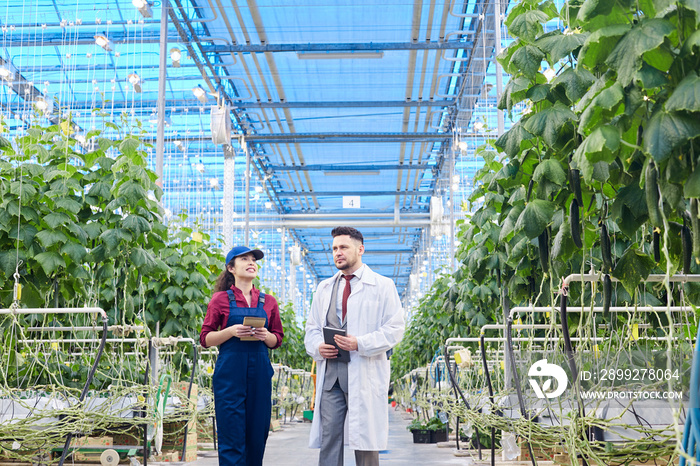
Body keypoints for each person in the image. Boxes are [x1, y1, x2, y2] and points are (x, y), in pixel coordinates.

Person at [305, 227, 405, 466]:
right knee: (329, 439)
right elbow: (311, 329)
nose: (338, 253)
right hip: (331, 377)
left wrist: (360, 343)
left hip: (364, 372)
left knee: (366, 442)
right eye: (334, 249)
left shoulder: (382, 286)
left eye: (343, 247)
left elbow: (395, 329)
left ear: (360, 249)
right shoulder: (324, 288)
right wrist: (319, 347)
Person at [200, 245, 284, 466]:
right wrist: (230, 332)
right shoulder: (220, 300)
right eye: (244, 259)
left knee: (257, 435)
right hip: (230, 374)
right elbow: (205, 339)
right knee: (231, 435)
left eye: (254, 260)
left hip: (259, 374)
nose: (251, 263)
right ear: (231, 268)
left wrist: (266, 335)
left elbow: (277, 340)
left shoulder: (269, 301)